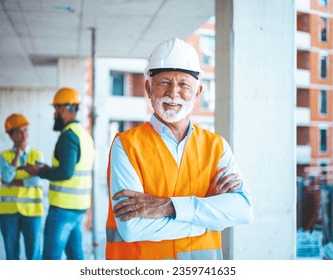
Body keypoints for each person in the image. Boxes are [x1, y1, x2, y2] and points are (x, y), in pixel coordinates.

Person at [106, 38, 253, 260]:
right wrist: (209, 219)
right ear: (148, 87)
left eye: (184, 84)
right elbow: (132, 228)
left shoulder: (216, 147)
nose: (173, 93)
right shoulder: (126, 145)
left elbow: (243, 210)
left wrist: (169, 207)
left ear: (198, 91)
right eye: (163, 82)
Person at [23, 87, 94, 260]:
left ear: (63, 109)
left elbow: (65, 172)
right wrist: (46, 168)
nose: (54, 114)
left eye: (55, 109)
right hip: (78, 207)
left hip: (63, 209)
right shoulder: (84, 134)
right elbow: (72, 168)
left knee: (50, 258)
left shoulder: (68, 136)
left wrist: (39, 171)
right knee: (76, 257)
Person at [0, 113, 44, 260]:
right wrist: (17, 156)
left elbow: (37, 180)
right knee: (11, 255)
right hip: (8, 212)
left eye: (26, 130)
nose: (24, 135)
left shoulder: (37, 155)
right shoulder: (4, 156)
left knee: (34, 255)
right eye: (19, 132)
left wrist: (14, 183)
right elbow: (6, 177)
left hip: (32, 212)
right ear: (11, 136)